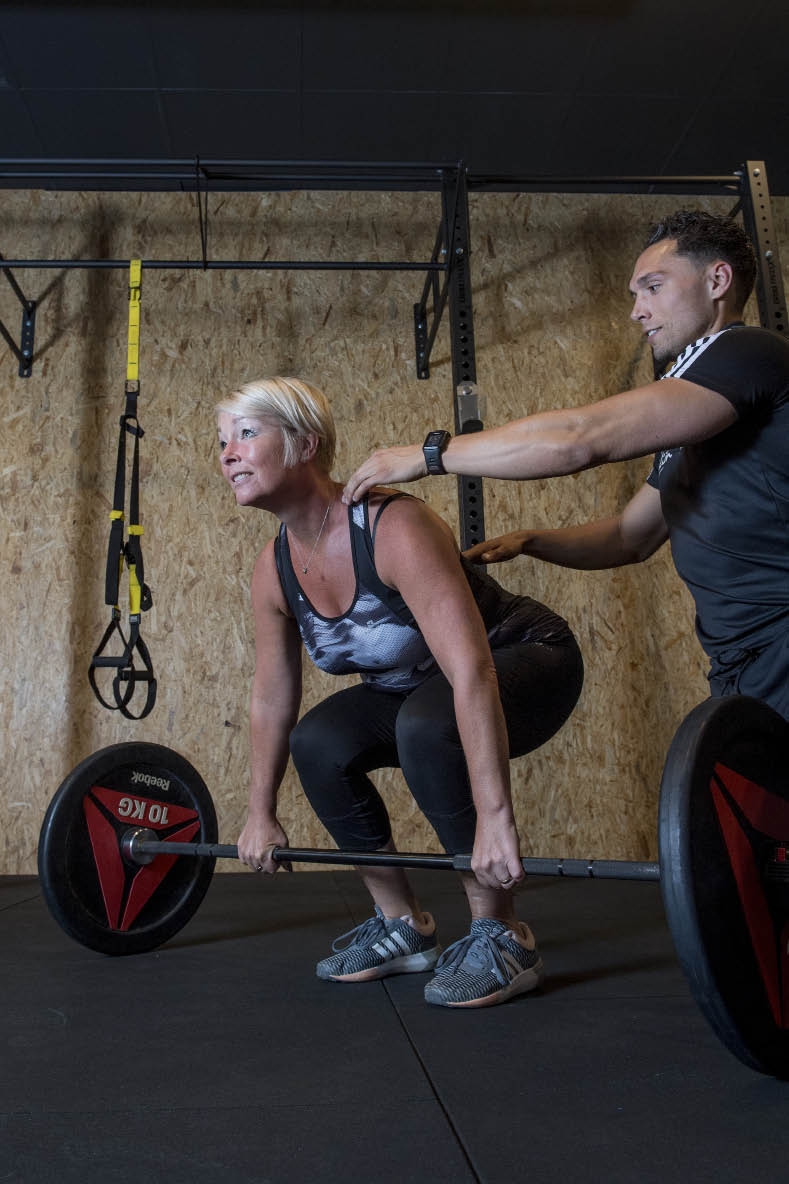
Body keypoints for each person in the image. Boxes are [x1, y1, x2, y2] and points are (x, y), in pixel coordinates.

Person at [217, 376, 583, 1008]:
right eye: (221, 440)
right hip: (421, 686)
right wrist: (259, 811)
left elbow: (471, 670)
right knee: (320, 739)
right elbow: (273, 698)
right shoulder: (273, 569)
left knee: (424, 724)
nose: (227, 453)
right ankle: (400, 925)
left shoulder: (392, 526)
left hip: (523, 657)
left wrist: (496, 822)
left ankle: (501, 932)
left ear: (305, 444)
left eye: (246, 434)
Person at [343, 211, 789, 720]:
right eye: (635, 295)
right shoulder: (697, 419)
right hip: (738, 663)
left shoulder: (748, 353)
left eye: (653, 287)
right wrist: (531, 541)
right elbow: (630, 536)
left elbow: (579, 440)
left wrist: (430, 455)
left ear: (717, 280)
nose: (637, 311)